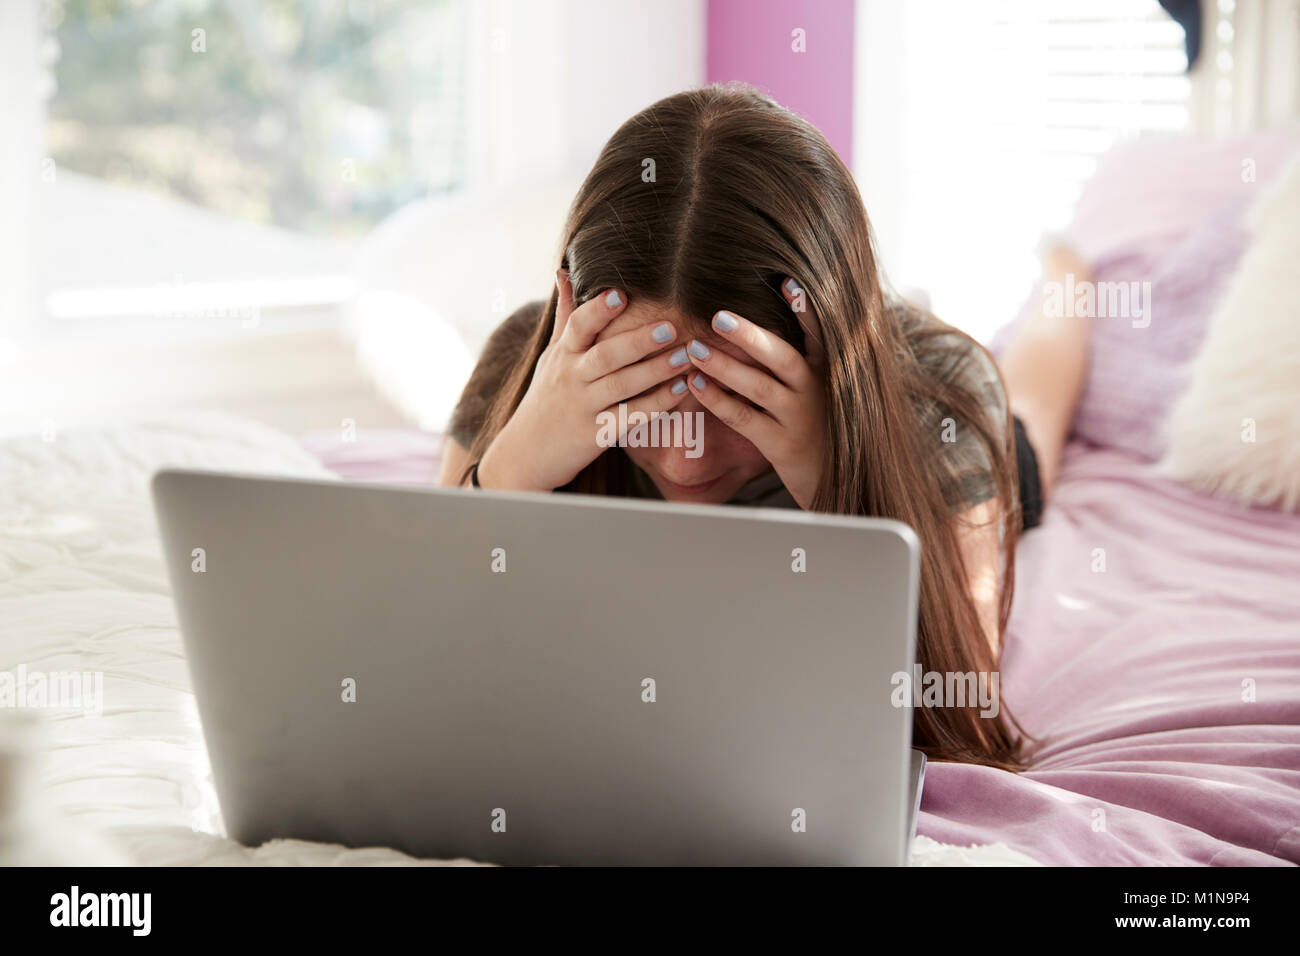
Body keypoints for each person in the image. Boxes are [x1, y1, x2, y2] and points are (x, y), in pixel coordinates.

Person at [437, 84, 1091, 771]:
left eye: (733, 403)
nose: (688, 464)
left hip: (905, 427)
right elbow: (420, 641)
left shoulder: (941, 395)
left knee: (1037, 424)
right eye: (647, 401)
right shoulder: (528, 365)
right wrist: (509, 475)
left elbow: (960, 710)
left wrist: (840, 482)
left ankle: (1065, 272)